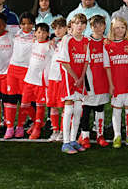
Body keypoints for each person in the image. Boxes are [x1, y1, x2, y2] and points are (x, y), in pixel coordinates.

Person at [104, 17, 128, 148]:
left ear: (126, 29)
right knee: (117, 110)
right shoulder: (107, 45)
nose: (119, 30)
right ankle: (117, 136)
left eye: (122, 27)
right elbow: (107, 67)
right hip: (116, 84)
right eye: (116, 27)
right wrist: (110, 84)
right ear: (112, 29)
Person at [56, 13, 89, 154]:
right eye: (77, 23)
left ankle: (73, 140)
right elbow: (64, 62)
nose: (80, 26)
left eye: (82, 23)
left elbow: (86, 61)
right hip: (69, 79)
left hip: (80, 79)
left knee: (78, 110)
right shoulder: (67, 40)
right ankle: (65, 142)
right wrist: (75, 77)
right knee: (68, 110)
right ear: (71, 25)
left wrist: (81, 77)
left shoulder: (86, 41)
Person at [79, 16, 112, 147]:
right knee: (86, 109)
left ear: (105, 26)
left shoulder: (107, 42)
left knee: (100, 108)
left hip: (103, 81)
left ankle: (100, 135)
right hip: (89, 81)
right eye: (95, 26)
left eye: (101, 25)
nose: (98, 28)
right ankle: (85, 135)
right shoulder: (86, 42)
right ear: (90, 27)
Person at [2, 12, 35, 139]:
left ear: (33, 24)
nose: (26, 26)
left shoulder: (36, 36)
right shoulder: (14, 33)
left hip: (27, 71)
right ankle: (10, 128)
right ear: (19, 24)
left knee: (24, 101)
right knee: (10, 100)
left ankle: (20, 126)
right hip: (13, 70)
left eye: (29, 23)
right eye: (23, 23)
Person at [22, 22, 53, 140]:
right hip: (29, 79)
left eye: (44, 32)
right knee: (25, 104)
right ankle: (37, 122)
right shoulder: (33, 43)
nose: (41, 34)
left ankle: (37, 129)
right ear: (35, 33)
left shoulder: (49, 46)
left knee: (40, 106)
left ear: (48, 34)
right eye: (39, 32)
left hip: (41, 82)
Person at [44, 17, 69, 142]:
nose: (57, 30)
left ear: (66, 28)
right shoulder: (53, 42)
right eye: (55, 28)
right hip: (52, 78)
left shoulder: (68, 41)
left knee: (65, 106)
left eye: (60, 28)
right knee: (53, 106)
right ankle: (55, 130)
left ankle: (64, 132)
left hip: (63, 80)